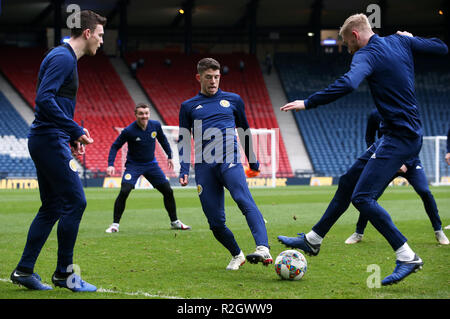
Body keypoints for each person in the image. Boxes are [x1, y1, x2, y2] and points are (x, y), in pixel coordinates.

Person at [277, 13, 448, 286]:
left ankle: (406, 256)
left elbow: (348, 83)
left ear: (356, 36)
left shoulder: (365, 55)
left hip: (399, 139)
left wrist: (308, 103)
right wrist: (412, 39)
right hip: (396, 135)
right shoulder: (399, 42)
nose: (347, 49)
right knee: (347, 182)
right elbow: (441, 47)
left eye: (346, 43)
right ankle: (313, 239)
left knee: (363, 198)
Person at [10, 10, 106, 291]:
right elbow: (43, 100)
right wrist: (74, 129)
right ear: (87, 33)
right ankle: (64, 273)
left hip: (50, 138)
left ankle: (24, 270)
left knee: (52, 206)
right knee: (76, 202)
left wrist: (69, 135)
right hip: (48, 140)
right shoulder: (63, 57)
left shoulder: (65, 58)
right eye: (100, 35)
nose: (101, 41)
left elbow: (53, 103)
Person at [178, 57, 272, 270]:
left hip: (229, 160)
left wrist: (253, 162)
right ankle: (237, 254)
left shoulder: (234, 100)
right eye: (208, 77)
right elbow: (184, 139)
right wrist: (184, 169)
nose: (213, 81)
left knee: (242, 198)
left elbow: (244, 131)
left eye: (217, 77)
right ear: (198, 77)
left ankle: (263, 247)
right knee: (215, 222)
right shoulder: (188, 106)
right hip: (204, 167)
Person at [344, 109, 449, 245]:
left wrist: (404, 162)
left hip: (410, 162)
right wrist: (376, 157)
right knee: (369, 196)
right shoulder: (375, 115)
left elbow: (418, 139)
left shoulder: (408, 111)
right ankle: (359, 232)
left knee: (425, 191)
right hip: (387, 160)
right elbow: (369, 137)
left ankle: (439, 231)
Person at [105, 103, 191, 233]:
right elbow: (115, 146)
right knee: (124, 191)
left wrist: (169, 155)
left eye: (146, 113)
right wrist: (111, 164)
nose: (144, 116)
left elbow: (163, 140)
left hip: (151, 165)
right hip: (134, 165)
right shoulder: (129, 131)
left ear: (149, 114)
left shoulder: (155, 125)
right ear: (136, 115)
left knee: (168, 190)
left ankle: (174, 221)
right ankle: (115, 225)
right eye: (141, 114)